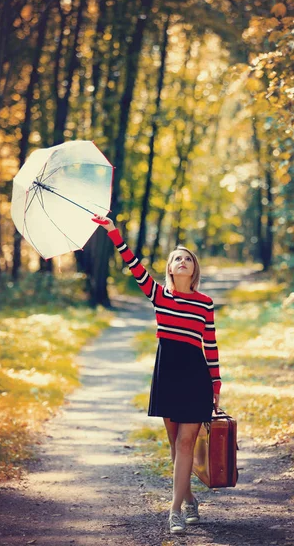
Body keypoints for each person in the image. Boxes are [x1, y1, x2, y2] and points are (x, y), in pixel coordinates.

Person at [92, 215, 221, 535]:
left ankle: (175, 510)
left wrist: (216, 383)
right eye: (176, 258)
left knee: (186, 442)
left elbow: (211, 344)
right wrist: (113, 233)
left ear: (194, 270)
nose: (181, 262)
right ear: (170, 268)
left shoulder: (205, 304)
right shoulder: (159, 296)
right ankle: (189, 498)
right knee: (175, 444)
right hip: (167, 375)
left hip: (195, 377)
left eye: (187, 259)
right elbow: (134, 265)